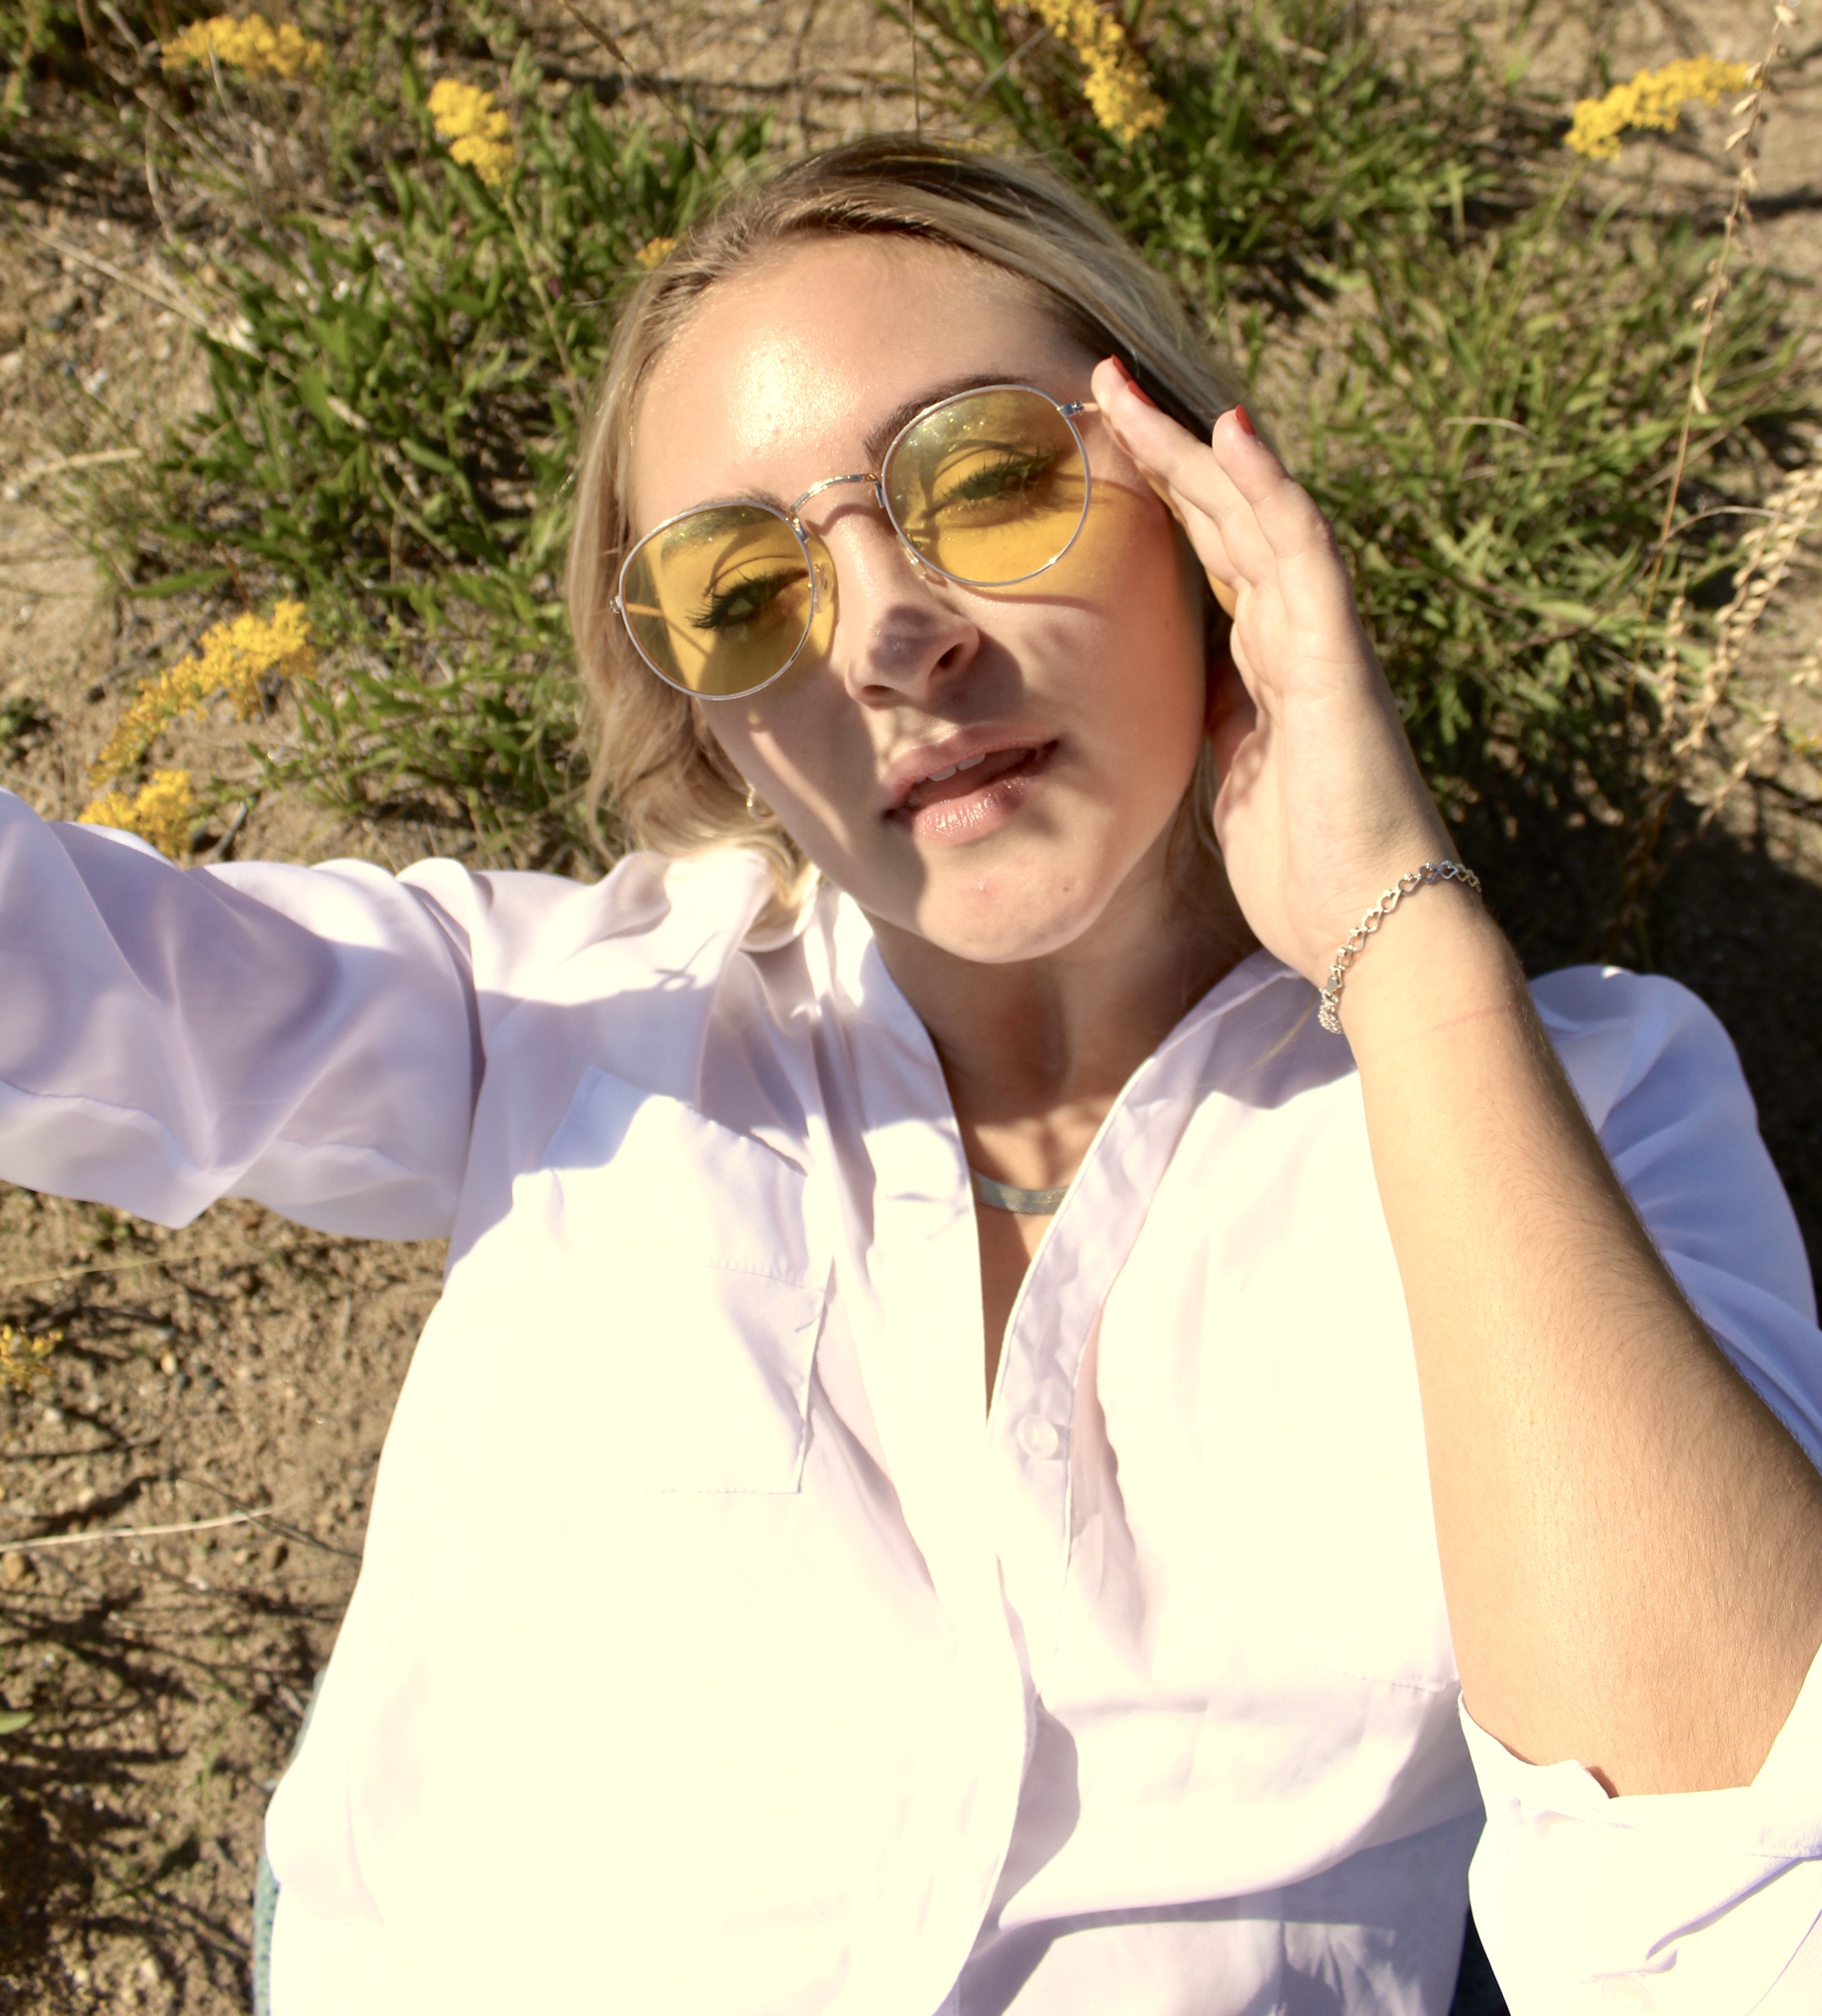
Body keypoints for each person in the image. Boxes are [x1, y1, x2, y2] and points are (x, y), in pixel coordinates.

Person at [4, 138, 1821, 2016]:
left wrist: (1400, 934)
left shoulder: (1570, 1111)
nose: (886, 636)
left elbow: (1745, 1913)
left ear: (1204, 504)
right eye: (740, 593)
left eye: (992, 478)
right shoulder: (548, 1017)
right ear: (706, 714)